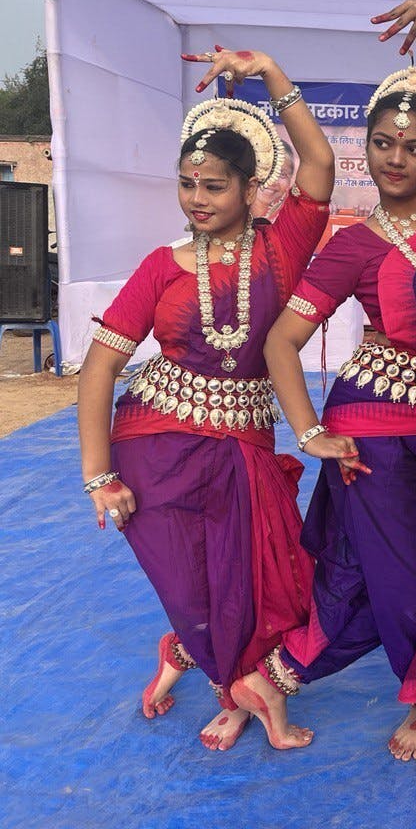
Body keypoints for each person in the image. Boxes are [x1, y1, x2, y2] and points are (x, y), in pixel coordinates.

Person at [247, 0, 416, 770]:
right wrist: (309, 429)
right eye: (382, 143)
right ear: (367, 145)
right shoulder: (352, 245)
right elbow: (282, 341)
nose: (394, 158)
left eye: (413, 147)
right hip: (374, 429)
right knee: (399, 572)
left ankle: (276, 674)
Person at [77, 48, 334, 751]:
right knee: (195, 586)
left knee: (254, 577)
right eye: (187, 184)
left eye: (214, 186)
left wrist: (276, 76)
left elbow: (319, 169)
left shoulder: (281, 250)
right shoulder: (161, 266)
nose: (197, 199)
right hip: (156, 446)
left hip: (244, 444)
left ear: (252, 189)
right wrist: (98, 476)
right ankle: (233, 689)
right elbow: (99, 368)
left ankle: (202, 664)